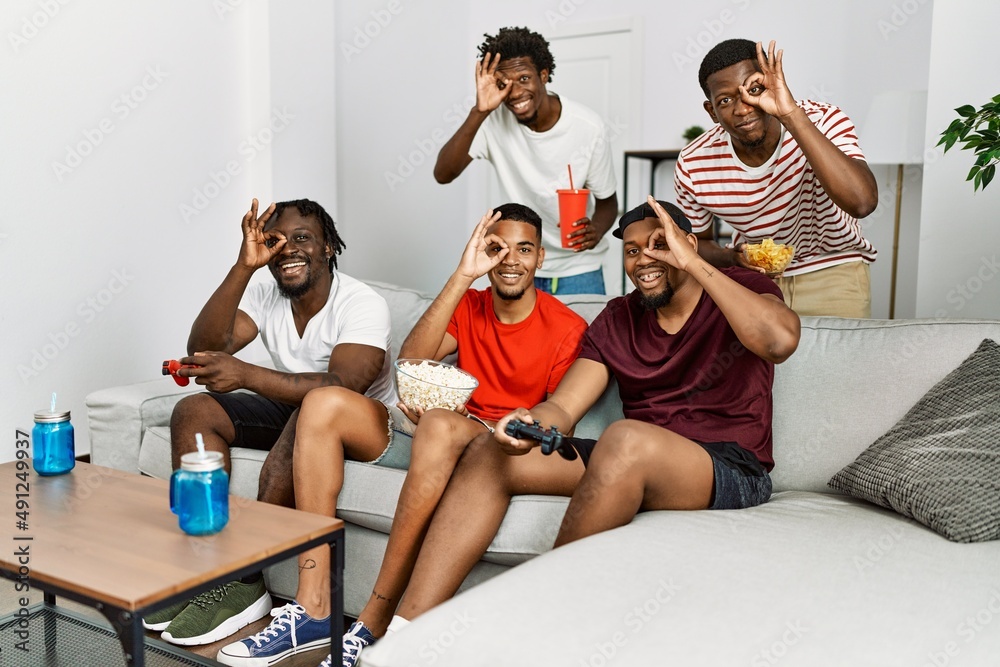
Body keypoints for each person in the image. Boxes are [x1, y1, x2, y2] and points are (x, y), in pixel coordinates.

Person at [375, 197, 800, 642]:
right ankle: (405, 636)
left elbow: (778, 342)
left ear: (685, 244)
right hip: (628, 461)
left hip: (728, 468)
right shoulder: (618, 318)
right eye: (632, 251)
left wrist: (693, 262)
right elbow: (562, 408)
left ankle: (547, 633)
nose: (643, 260)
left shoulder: (741, 286)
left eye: (658, 245)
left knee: (627, 439)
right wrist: (527, 421)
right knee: (489, 453)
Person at [215, 203, 587, 667]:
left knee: (437, 423)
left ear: (541, 259)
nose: (510, 260)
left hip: (496, 442)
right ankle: (313, 606)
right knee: (322, 402)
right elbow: (412, 362)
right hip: (437, 431)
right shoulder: (469, 304)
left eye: (524, 249)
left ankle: (376, 621)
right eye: (497, 248)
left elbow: (556, 415)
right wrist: (463, 274)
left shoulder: (568, 327)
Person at [151, 198, 396, 648]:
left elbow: (343, 384)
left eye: (302, 238)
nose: (287, 249)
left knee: (311, 410)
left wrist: (246, 375)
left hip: (357, 424)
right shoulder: (266, 293)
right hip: (298, 409)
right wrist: (244, 266)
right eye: (275, 240)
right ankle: (205, 566)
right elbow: (204, 345)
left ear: (328, 248)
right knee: (194, 410)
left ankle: (244, 580)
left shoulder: (362, 302)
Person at [674, 39, 879, 318]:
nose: (743, 108)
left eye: (754, 90)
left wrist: (790, 114)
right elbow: (696, 242)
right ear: (711, 112)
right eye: (725, 100)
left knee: (835, 363)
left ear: (771, 85)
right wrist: (731, 257)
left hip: (834, 270)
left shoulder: (823, 120)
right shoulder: (693, 162)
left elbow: (863, 203)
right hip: (757, 282)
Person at [435, 26, 619, 296]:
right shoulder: (491, 121)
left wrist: (597, 230)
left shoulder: (588, 127)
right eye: (503, 83)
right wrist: (480, 111)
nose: (514, 92)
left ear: (543, 75)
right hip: (519, 264)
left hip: (578, 267)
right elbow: (444, 173)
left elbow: (608, 204)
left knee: (585, 339)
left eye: (523, 78)